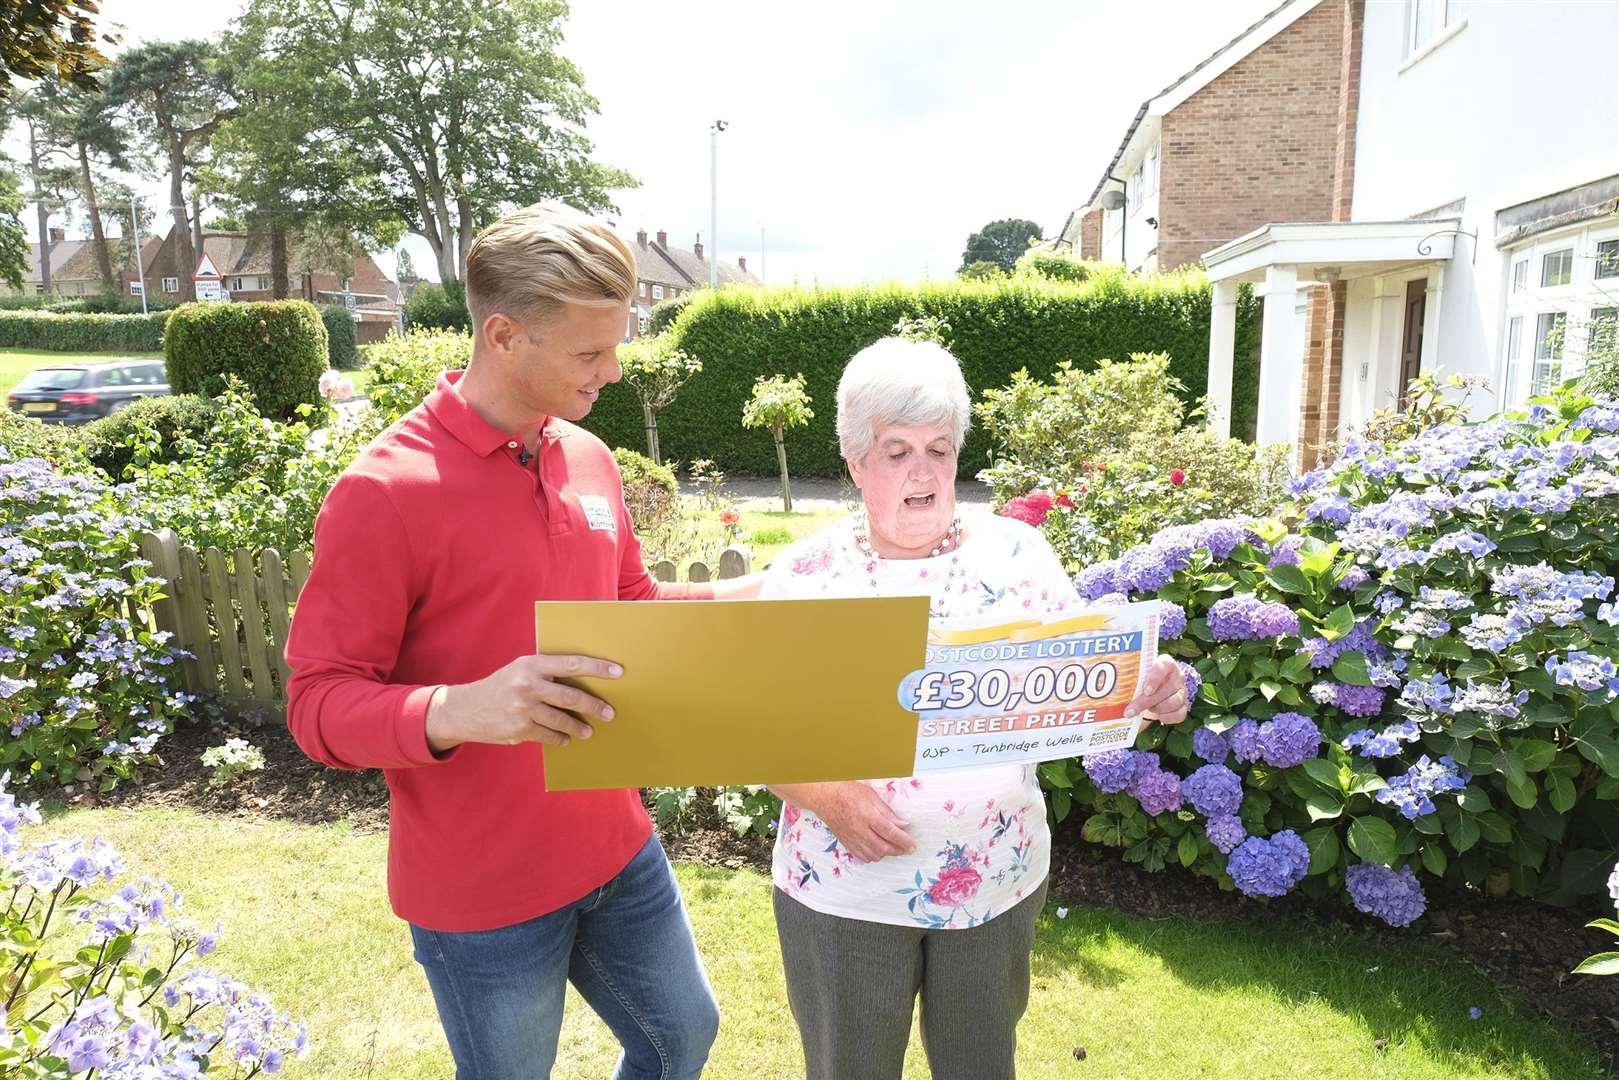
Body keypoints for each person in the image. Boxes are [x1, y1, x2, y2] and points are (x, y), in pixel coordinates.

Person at [284, 205, 757, 1080]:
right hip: (480, 892)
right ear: (502, 335)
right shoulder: (383, 491)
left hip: (616, 843)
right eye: (588, 354)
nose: (612, 372)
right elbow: (316, 705)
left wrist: (752, 598)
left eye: (616, 346)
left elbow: (631, 605)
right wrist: (457, 708)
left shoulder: (586, 456)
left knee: (680, 1037)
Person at [761, 336, 1188, 1080]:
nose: (922, 473)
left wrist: (1148, 690)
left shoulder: (1016, 553)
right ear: (856, 463)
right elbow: (744, 724)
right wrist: (824, 796)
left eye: (938, 448)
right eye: (895, 452)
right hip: (845, 889)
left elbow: (1082, 687)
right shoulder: (805, 573)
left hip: (997, 875)